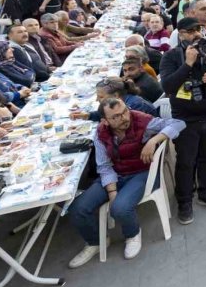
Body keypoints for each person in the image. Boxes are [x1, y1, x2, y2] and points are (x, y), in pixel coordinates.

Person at [67, 98, 186, 268]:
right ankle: (95, 241)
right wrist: (112, 191)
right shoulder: (101, 133)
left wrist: (153, 140)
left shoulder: (141, 121)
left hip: (142, 173)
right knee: (78, 208)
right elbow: (104, 166)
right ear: (105, 121)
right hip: (116, 174)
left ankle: (133, 234)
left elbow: (178, 123)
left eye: (125, 112)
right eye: (116, 117)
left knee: (119, 208)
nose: (124, 118)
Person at [159, 17, 206, 224]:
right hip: (186, 119)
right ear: (180, 34)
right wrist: (188, 63)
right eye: (191, 31)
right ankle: (184, 201)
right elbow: (168, 87)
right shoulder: (171, 57)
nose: (196, 34)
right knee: (186, 161)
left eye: (198, 30)